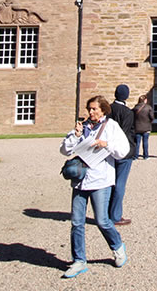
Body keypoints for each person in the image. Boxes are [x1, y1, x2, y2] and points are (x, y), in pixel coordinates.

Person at [60, 96, 130, 278]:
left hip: (101, 180)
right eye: (89, 109)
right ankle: (79, 261)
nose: (90, 112)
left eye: (94, 109)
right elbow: (64, 150)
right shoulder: (82, 127)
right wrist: (74, 136)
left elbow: (123, 150)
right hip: (80, 181)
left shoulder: (112, 127)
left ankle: (117, 246)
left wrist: (107, 144)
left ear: (103, 110)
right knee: (76, 222)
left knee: (102, 221)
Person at [107, 84, 136, 226]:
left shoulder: (108, 110)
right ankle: (115, 216)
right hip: (124, 152)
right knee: (120, 184)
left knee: (109, 182)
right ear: (126, 96)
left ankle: (105, 214)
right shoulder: (127, 112)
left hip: (108, 151)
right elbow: (125, 134)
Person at [133, 94, 153, 160]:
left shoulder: (135, 108)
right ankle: (146, 156)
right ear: (145, 100)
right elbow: (152, 117)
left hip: (137, 127)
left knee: (137, 143)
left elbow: (132, 117)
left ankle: (136, 156)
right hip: (146, 127)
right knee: (145, 142)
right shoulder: (149, 107)